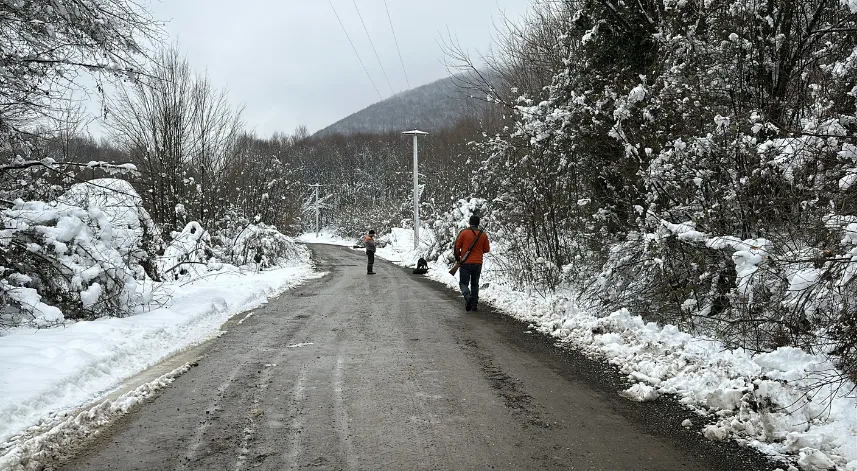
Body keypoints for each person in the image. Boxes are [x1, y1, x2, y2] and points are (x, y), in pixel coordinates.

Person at [453, 215, 489, 311]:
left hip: (465, 262)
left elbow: (457, 247)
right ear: (478, 223)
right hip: (478, 263)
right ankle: (474, 304)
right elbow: (486, 249)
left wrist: (458, 258)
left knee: (463, 283)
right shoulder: (483, 235)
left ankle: (467, 296)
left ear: (469, 222)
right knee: (475, 284)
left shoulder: (464, 233)